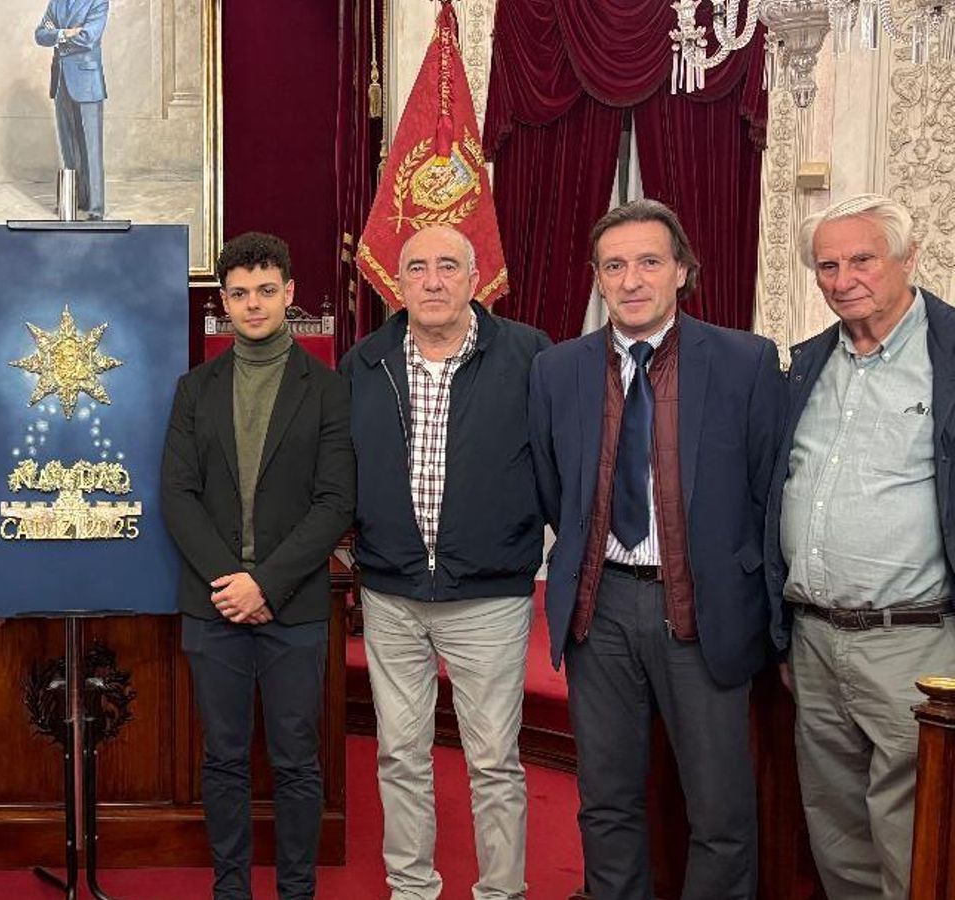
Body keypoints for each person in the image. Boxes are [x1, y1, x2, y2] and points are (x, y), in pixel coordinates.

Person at [528, 199, 783, 900]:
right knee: (606, 801)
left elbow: (767, 495)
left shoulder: (744, 362)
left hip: (703, 612)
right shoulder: (557, 371)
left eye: (648, 261)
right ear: (597, 279)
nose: (631, 279)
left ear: (681, 271)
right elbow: (557, 491)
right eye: (615, 266)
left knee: (721, 810)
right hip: (599, 607)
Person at [340, 224, 550, 899]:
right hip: (393, 595)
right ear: (398, 283)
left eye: (448, 267)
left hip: (489, 597)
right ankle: (412, 889)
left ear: (474, 278)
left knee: (493, 761)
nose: (433, 281)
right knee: (401, 755)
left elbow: (556, 464)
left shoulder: (527, 355)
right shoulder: (364, 363)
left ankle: (501, 892)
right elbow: (342, 469)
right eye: (418, 268)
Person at [767, 192, 955, 900]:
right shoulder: (810, 362)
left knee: (915, 835)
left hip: (916, 643)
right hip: (813, 641)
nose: (842, 278)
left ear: (909, 259)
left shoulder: (949, 355)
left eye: (862, 259)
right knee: (835, 825)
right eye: (826, 265)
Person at [160, 232, 354, 900]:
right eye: (239, 293)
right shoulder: (193, 389)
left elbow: (335, 502)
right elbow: (176, 496)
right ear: (221, 301)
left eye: (266, 291)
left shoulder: (327, 388)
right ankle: (231, 888)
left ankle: (296, 890)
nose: (253, 304)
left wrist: (265, 583)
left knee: (298, 762)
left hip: (292, 607)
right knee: (223, 759)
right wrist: (232, 583)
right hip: (214, 605)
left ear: (290, 294)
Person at [34, 0, 108, 220]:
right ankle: (75, 199)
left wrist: (56, 35)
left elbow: (88, 38)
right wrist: (67, 32)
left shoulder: (98, 2)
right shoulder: (56, 3)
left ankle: (95, 208)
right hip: (60, 83)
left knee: (91, 150)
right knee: (69, 147)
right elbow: (39, 35)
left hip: (88, 83)